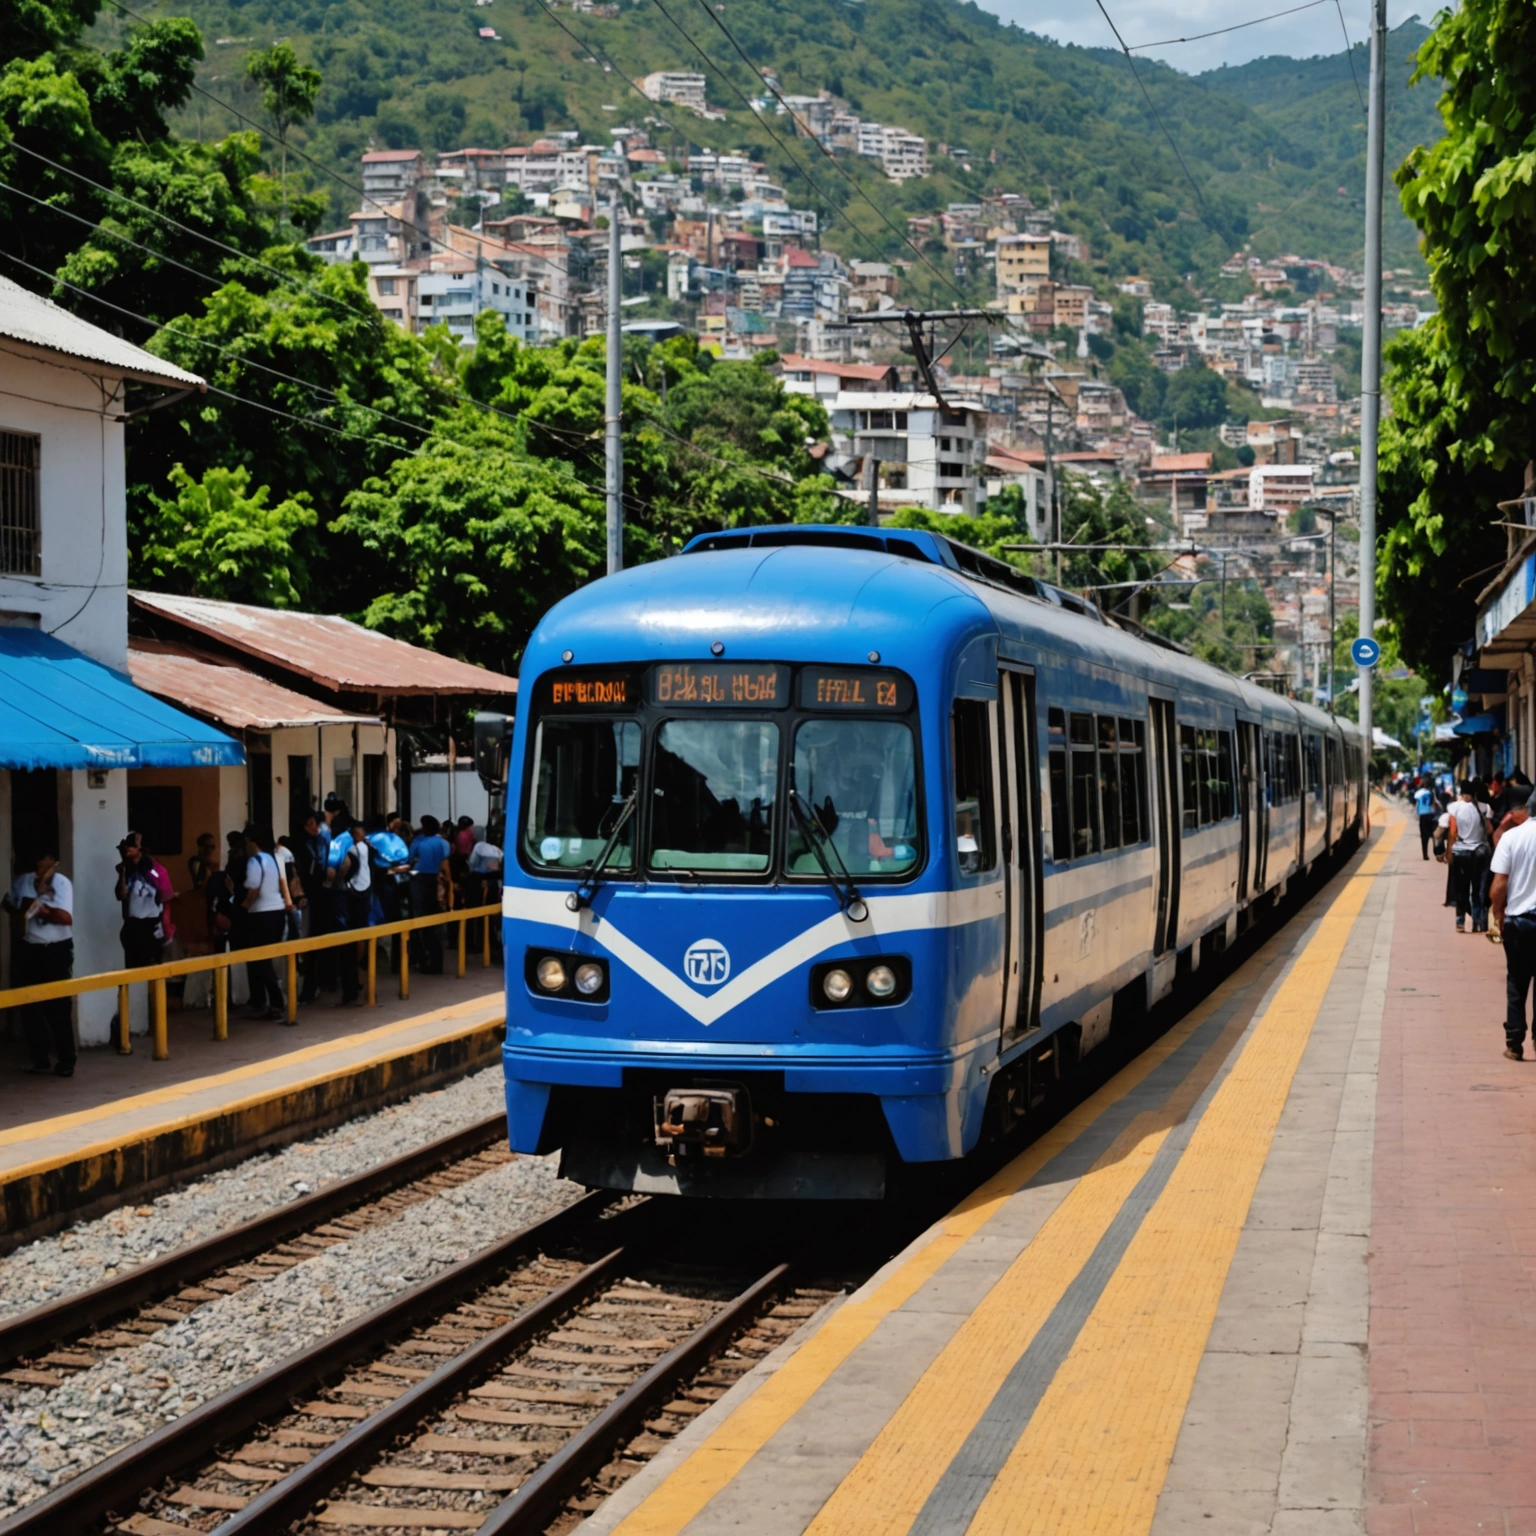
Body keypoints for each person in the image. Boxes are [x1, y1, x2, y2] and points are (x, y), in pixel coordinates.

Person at [3, 851, 75, 1077]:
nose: (41, 871)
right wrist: (18, 911)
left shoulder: (61, 884)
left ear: (54, 865)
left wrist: (42, 910)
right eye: (38, 867)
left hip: (55, 950)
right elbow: (9, 902)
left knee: (58, 1007)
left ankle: (66, 1061)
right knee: (29, 1006)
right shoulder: (23, 881)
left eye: (45, 867)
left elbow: (66, 918)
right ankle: (40, 1059)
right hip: (29, 948)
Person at [1489, 786, 1536, 1058]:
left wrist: (1498, 914)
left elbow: (1499, 885)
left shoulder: (1512, 837)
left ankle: (1514, 1043)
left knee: (1517, 982)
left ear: (1528, 810)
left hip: (1518, 923)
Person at [240, 823, 292, 1021]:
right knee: (265, 960)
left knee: (261, 961)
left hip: (261, 915)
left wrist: (242, 909)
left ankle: (276, 1001)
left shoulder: (255, 862)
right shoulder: (271, 859)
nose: (246, 846)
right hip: (277, 913)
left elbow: (253, 890)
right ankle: (270, 1001)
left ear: (253, 842)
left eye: (246, 842)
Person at [116, 832, 173, 970]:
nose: (127, 851)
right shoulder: (127, 869)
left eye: (131, 848)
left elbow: (166, 894)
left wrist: (165, 926)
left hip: (150, 925)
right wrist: (122, 874)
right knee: (132, 967)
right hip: (132, 926)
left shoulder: (154, 869)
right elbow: (120, 895)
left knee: (150, 967)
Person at [1446, 781, 1493, 933]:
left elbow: (1453, 831)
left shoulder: (1455, 807)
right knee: (1478, 889)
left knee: (1461, 888)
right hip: (1480, 853)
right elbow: (1490, 830)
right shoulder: (1485, 807)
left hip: (1461, 853)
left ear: (1462, 793)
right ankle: (1478, 923)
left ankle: (1460, 922)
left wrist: (1449, 852)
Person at [366, 812, 412, 969]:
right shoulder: (391, 842)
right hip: (387, 885)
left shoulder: (370, 841)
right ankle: (396, 963)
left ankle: (374, 961)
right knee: (394, 921)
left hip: (374, 886)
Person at [409, 815, 451, 975]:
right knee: (435, 924)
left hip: (418, 880)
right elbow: (444, 864)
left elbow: (409, 859)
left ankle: (421, 959)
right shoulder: (442, 843)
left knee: (419, 922)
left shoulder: (419, 842)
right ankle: (436, 962)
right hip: (435, 881)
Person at [1413, 777, 1442, 861]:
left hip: (1423, 815)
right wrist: (1440, 810)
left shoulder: (1418, 793)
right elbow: (1435, 802)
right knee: (1433, 834)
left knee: (1424, 836)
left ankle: (1425, 854)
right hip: (1431, 814)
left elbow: (1417, 804)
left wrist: (1416, 814)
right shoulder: (1431, 792)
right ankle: (1436, 851)